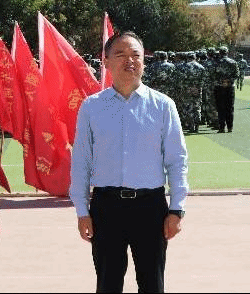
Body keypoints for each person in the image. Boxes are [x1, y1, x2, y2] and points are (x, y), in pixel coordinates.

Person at [70, 31, 188, 293]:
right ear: (106, 61)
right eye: (120, 54)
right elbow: (81, 161)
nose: (129, 61)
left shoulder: (163, 106)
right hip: (106, 208)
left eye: (136, 55)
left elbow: (177, 160)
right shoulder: (92, 107)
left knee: (152, 284)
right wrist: (82, 211)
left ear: (144, 61)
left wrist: (176, 209)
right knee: (108, 284)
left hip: (150, 208)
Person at [213, 46, 239, 133]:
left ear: (220, 53)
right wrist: (228, 81)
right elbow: (236, 74)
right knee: (230, 107)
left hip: (219, 87)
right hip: (230, 87)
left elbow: (212, 75)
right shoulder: (233, 62)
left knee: (220, 108)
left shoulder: (216, 62)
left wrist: (221, 81)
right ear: (227, 53)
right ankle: (230, 127)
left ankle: (221, 127)